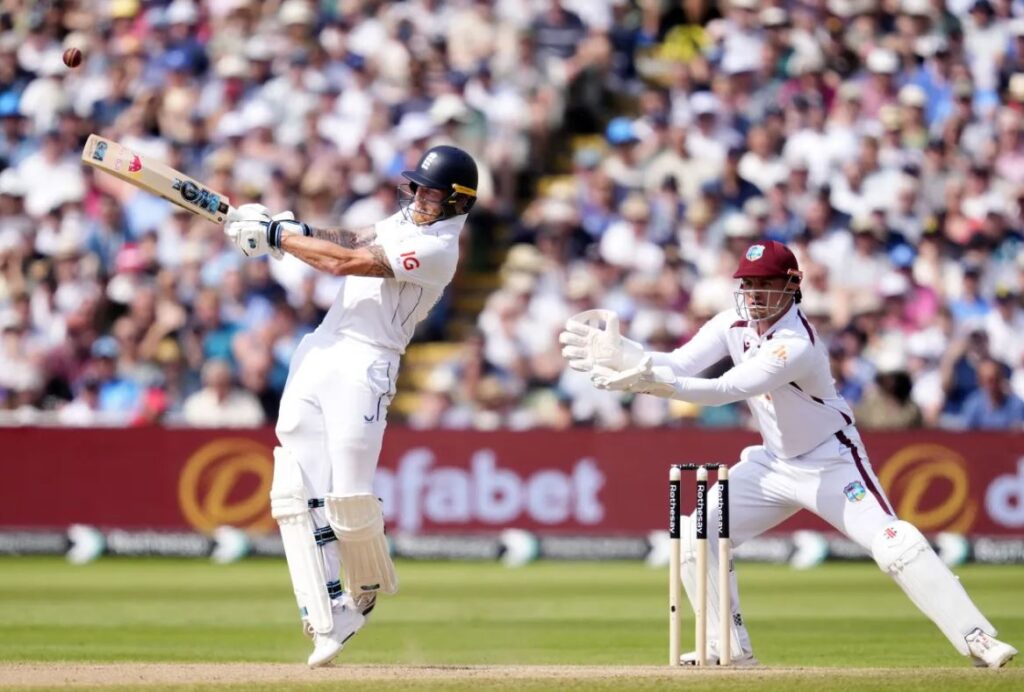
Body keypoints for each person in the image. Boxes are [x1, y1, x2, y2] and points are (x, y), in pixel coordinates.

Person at [559, 240, 1017, 669]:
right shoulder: (730, 324)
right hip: (773, 463)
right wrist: (624, 356)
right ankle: (726, 648)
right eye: (749, 284)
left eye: (766, 285)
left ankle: (977, 638)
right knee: (695, 534)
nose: (755, 295)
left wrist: (645, 382)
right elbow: (678, 363)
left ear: (791, 287)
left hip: (830, 462)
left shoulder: (796, 343)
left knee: (894, 544)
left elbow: (729, 388)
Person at [224, 145, 478, 667]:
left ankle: (361, 590)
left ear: (457, 202)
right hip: (321, 346)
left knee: (348, 494)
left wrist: (280, 238)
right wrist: (288, 225)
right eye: (419, 188)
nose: (420, 198)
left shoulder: (441, 250)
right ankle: (323, 605)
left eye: (432, 193)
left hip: (368, 363)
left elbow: (347, 263)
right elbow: (351, 238)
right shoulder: (405, 221)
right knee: (298, 484)